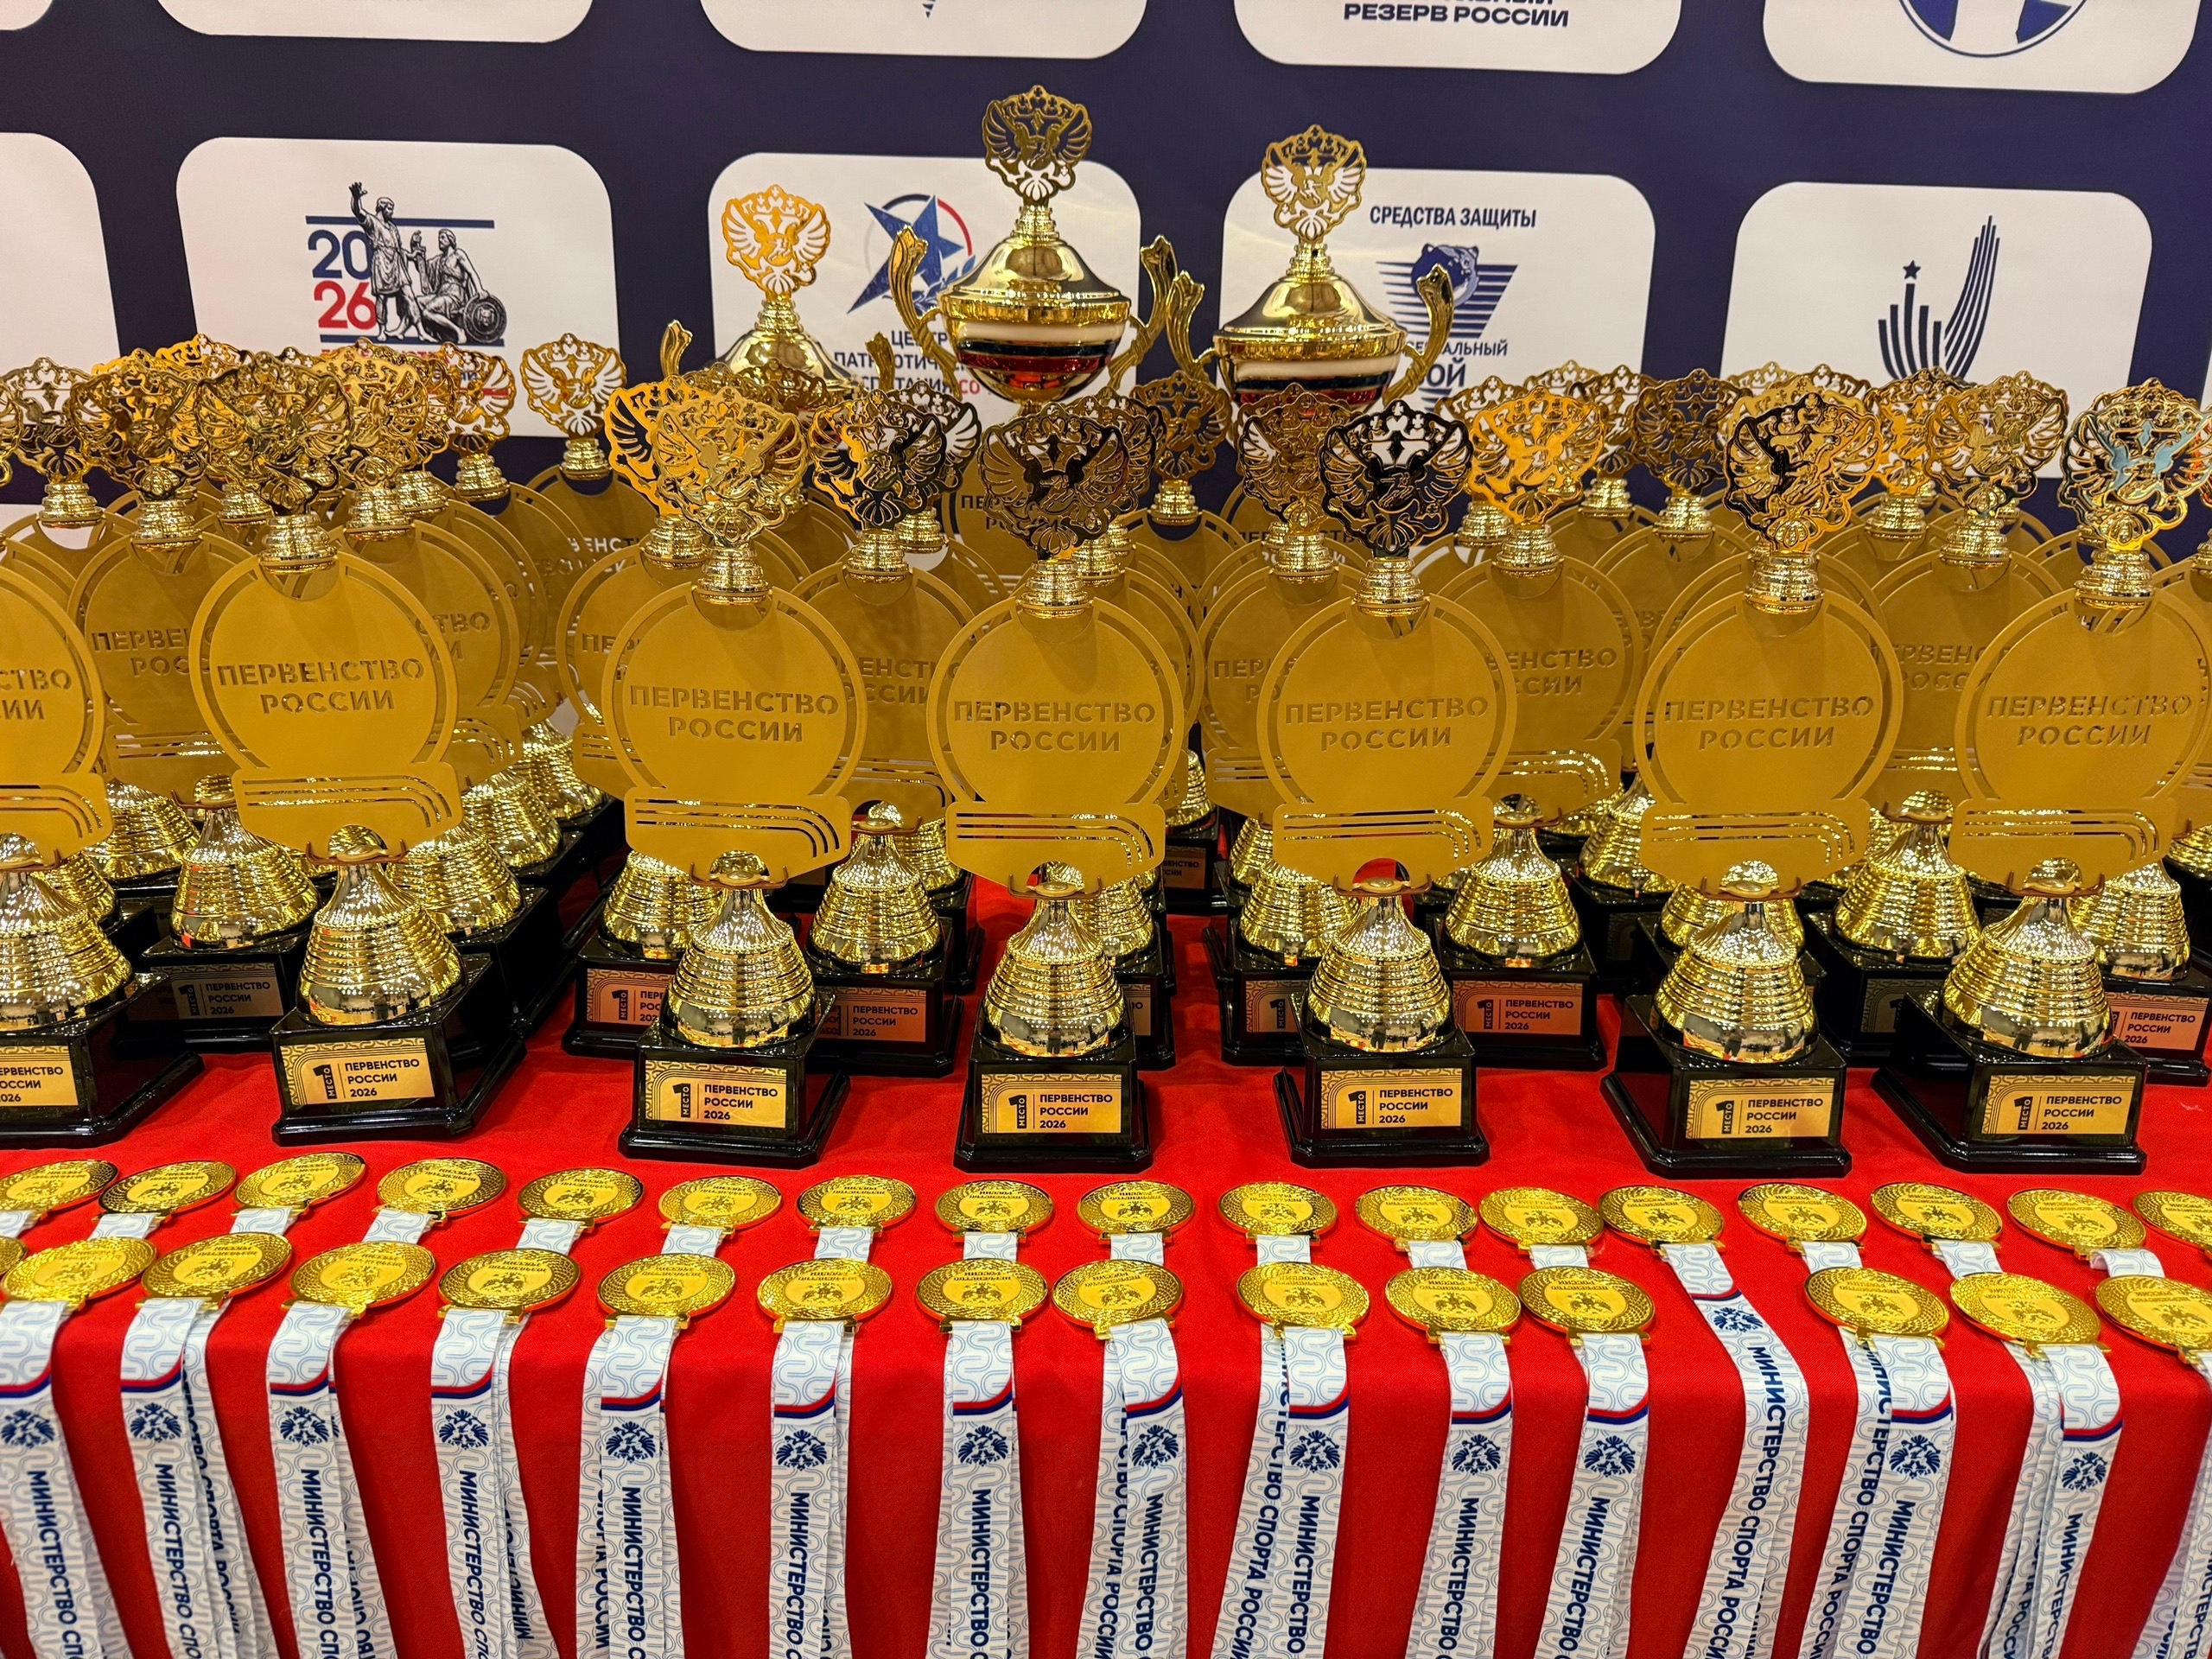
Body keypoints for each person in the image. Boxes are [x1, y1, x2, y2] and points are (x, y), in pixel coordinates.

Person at [348, 182, 416, 340]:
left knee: (409, 296)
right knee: (381, 298)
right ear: (382, 207)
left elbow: (399, 248)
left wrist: (411, 256)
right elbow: (358, 212)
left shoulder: (392, 227)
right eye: (390, 208)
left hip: (397, 263)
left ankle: (408, 329)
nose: (392, 212)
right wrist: (356, 198)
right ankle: (382, 330)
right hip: (382, 261)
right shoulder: (373, 222)